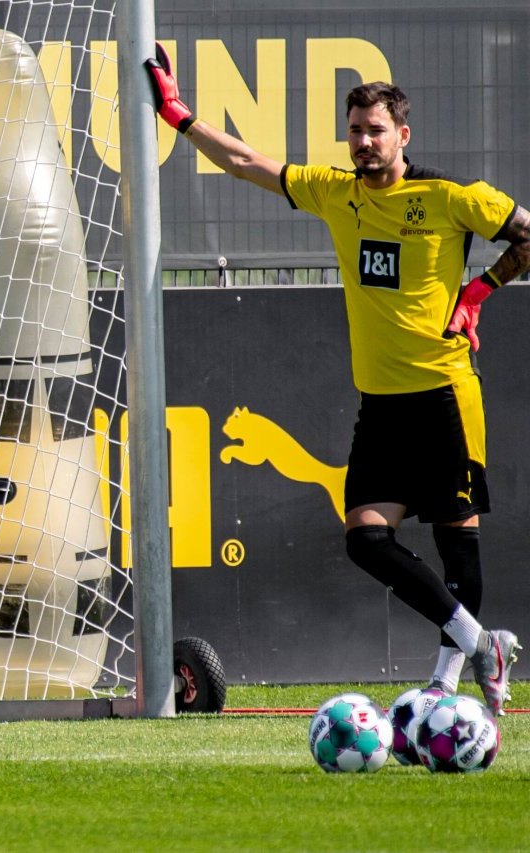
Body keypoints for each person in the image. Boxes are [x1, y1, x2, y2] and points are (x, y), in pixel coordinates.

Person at [146, 46, 526, 715]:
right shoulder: (336, 193)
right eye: (355, 130)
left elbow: (528, 235)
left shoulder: (449, 199)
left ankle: (446, 682)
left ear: (402, 135)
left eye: (375, 130)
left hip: (443, 396)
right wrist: (181, 118)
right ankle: (476, 643)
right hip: (381, 405)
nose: (363, 142)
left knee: (454, 541)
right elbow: (246, 163)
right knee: (364, 538)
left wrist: (479, 291)